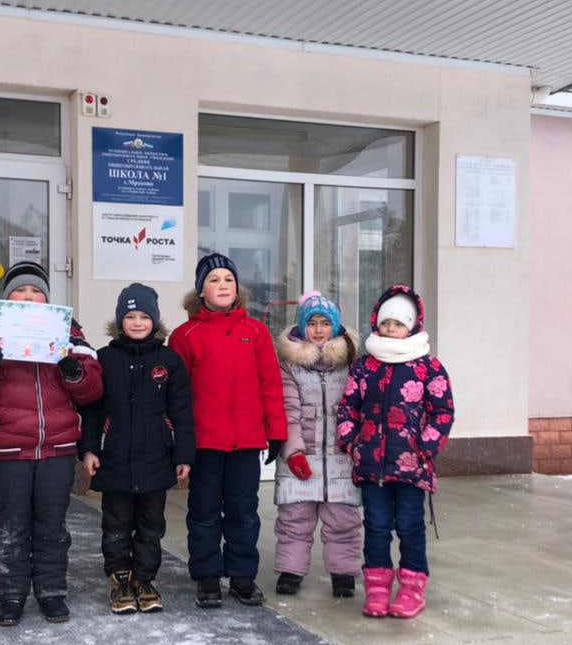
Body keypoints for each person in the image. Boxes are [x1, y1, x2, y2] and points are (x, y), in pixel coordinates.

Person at [0, 261, 103, 626]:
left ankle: (52, 592)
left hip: (57, 447)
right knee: (12, 526)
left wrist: (74, 373)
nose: (28, 296)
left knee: (52, 525)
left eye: (36, 291)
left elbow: (92, 391)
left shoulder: (69, 332)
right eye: (20, 291)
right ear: (8, 297)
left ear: (46, 298)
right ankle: (11, 594)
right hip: (9, 448)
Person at [169, 253, 286, 609]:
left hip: (246, 442)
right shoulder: (185, 335)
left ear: (238, 288)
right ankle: (207, 576)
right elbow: (176, 395)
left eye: (228, 280)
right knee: (203, 512)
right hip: (204, 443)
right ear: (200, 290)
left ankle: (242, 576)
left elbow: (270, 384)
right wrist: (179, 441)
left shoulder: (256, 332)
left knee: (243, 511)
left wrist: (276, 431)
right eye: (214, 280)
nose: (222, 285)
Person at [337, 285, 454, 619]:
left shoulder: (428, 367)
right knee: (376, 525)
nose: (391, 329)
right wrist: (351, 441)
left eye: (398, 324)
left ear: (412, 327)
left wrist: (426, 446)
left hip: (411, 466)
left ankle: (412, 589)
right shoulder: (365, 367)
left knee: (409, 525)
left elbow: (443, 412)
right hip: (371, 464)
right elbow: (348, 407)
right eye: (386, 323)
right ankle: (376, 589)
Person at [82, 284, 194, 615]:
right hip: (114, 459)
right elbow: (91, 411)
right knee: (116, 525)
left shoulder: (169, 361)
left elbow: (182, 412)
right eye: (130, 316)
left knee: (150, 526)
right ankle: (119, 581)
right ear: (120, 320)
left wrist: (184, 455)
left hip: (155, 460)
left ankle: (144, 580)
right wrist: (89, 449)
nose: (137, 322)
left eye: (144, 316)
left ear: (155, 321)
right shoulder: (104, 359)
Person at [272, 291, 362, 599]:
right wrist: (293, 451)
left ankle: (343, 573)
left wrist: (355, 445)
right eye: (312, 323)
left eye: (325, 323)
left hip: (341, 457)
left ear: (335, 327)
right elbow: (288, 410)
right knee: (295, 519)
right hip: (300, 457)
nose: (319, 330)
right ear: (302, 326)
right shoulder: (290, 365)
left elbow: (358, 408)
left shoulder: (350, 365)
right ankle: (291, 571)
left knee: (343, 520)